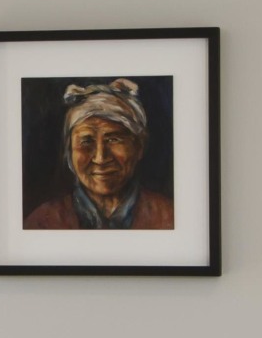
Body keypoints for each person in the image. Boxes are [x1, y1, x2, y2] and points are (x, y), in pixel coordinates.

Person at [23, 78, 176, 230]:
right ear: (69, 150)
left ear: (139, 146)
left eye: (114, 139)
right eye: (86, 141)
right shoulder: (41, 221)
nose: (100, 158)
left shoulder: (168, 216)